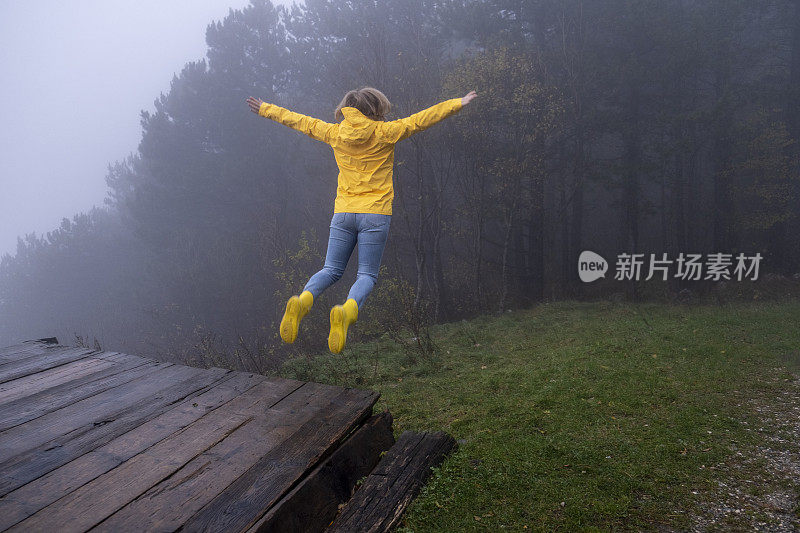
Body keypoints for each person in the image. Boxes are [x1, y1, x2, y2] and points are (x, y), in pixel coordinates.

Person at [247, 87, 478, 353]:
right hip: (375, 214)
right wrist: (458, 103)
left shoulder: (335, 133)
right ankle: (347, 311)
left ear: (348, 107)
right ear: (375, 108)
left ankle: (302, 301)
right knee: (366, 275)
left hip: (344, 213)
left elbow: (299, 121)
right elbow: (422, 119)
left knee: (331, 270)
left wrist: (266, 109)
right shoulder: (385, 132)